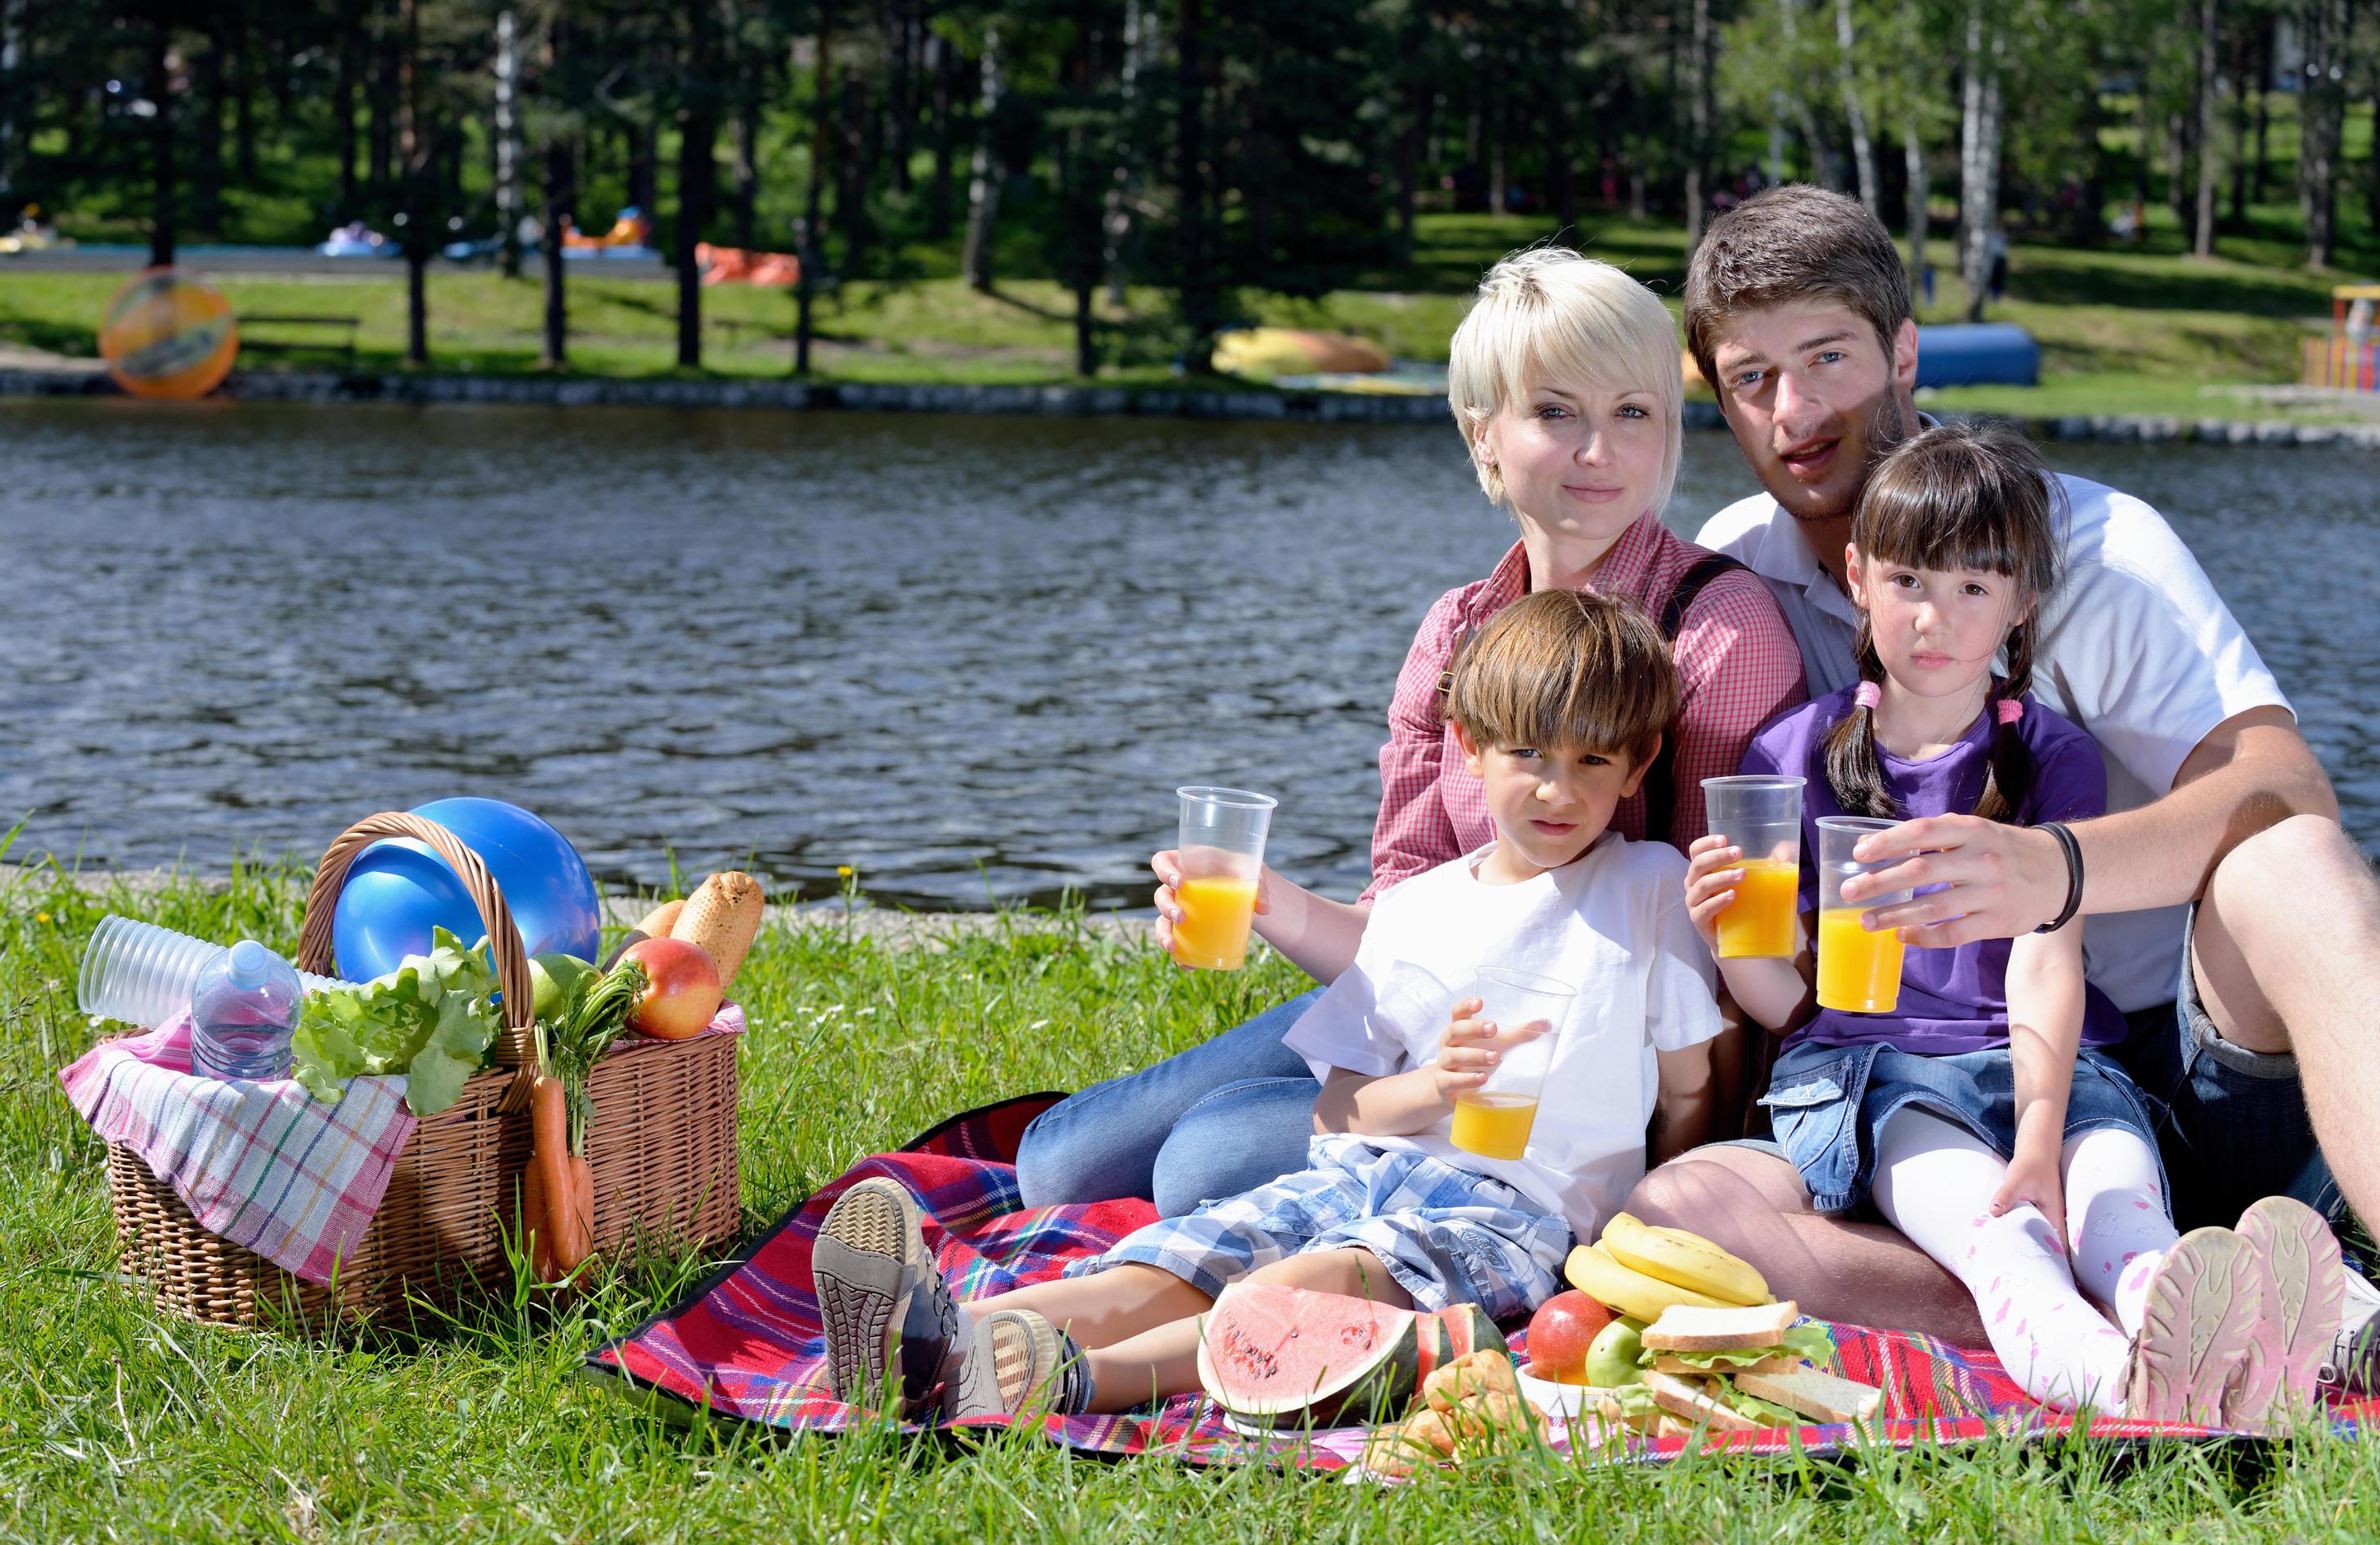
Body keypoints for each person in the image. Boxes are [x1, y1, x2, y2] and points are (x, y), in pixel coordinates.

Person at [1629, 184, 2380, 1385]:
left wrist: (2057, 866)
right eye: (1751, 378)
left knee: (2294, 861)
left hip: (2163, 1071)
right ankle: (2155, 1313)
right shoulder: (1743, 575)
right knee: (1684, 1209)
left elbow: (2286, 787)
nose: (1797, 409)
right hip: (1908, 1098)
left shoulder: (2094, 550)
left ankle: (2211, 1263)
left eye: (1829, 356)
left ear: (1906, 351)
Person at [1014, 247, 1803, 1218]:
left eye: (1632, 412)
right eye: (1556, 412)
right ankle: (1277, 1121)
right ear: (1484, 434)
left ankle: (1263, 1132)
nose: (1599, 450)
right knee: (1059, 1166)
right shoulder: (1460, 628)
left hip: (1575, 1075)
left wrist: (1678, 1172)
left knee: (1203, 1164)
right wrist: (1268, 903)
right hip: (1431, 1011)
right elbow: (1400, 926)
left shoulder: (1717, 628)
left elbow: (1719, 952)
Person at [811, 592, 1725, 1420]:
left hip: (1512, 1215)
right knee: (1189, 1254)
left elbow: (1690, 1091)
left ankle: (1048, 1377)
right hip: (1364, 1167)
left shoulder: (1646, 886)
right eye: (1527, 753)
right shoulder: (1419, 909)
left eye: (1590, 760)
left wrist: (1638, 1237)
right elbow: (1338, 1111)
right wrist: (1435, 1088)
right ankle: (930, 1332)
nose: (1557, 788)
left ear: (1638, 764)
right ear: (1472, 747)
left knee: (1313, 1282)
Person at [1685, 418, 2340, 1425]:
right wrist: (1738, 933)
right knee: (2008, 1240)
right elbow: (1787, 1003)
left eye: (1973, 589)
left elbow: (2047, 961)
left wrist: (2041, 1132)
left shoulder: (2049, 756)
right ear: (1857, 575)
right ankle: (2125, 1384)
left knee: (2120, 1207)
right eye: (1908, 581)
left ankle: (2250, 1332)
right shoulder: (1796, 753)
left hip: (2052, 1063)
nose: (1935, 619)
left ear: (2020, 602)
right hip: (1880, 1076)